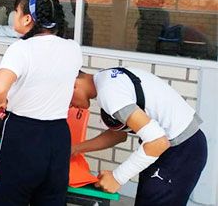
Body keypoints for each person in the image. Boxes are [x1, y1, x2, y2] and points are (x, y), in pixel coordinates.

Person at [0, 0, 82, 206]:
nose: (14, 16)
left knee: (11, 199)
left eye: (16, 12)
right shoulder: (73, 48)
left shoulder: (21, 49)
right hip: (58, 134)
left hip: (23, 134)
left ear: (28, 19)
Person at [71, 67, 207, 205]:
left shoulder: (109, 92)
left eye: (67, 101)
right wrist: (75, 149)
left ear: (74, 85)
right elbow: (116, 135)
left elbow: (158, 142)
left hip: (181, 149)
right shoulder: (107, 79)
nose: (71, 107)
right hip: (175, 148)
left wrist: (117, 178)